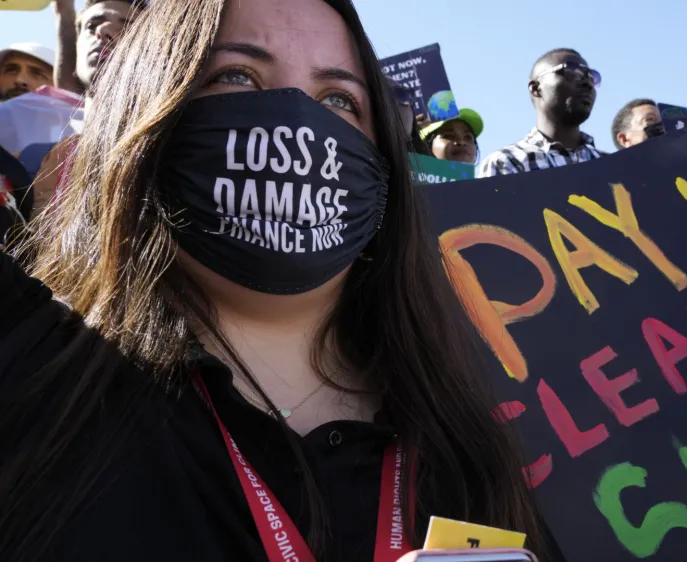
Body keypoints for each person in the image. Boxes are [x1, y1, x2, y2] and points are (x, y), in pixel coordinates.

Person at [0, 1, 554, 562]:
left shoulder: (464, 449)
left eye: (340, 100)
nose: (294, 118)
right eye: (235, 76)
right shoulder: (34, 377)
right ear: (147, 105)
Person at [24, 0, 146, 214]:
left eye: (127, 28)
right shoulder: (36, 160)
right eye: (92, 26)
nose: (103, 30)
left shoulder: (178, 150)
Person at [477, 48, 602, 177]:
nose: (588, 83)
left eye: (592, 77)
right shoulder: (506, 162)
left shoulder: (610, 166)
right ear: (536, 88)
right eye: (573, 72)